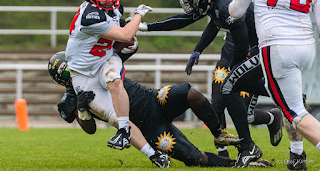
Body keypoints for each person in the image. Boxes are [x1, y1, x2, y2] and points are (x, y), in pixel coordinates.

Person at [138, 0, 281, 166]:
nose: (192, 6)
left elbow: (241, 45)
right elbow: (202, 21)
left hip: (261, 44)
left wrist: (234, 69)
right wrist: (148, 27)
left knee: (230, 87)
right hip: (254, 43)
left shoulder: (226, 8)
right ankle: (276, 107)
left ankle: (251, 144)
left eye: (193, 1)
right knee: (229, 89)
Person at [48, 51, 253, 168]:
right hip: (147, 127)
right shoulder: (72, 98)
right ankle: (235, 165)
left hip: (153, 99)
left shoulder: (96, 66)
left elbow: (120, 54)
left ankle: (219, 133)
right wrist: (82, 109)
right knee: (194, 157)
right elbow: (89, 129)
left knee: (190, 93)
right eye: (69, 70)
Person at [228, 0, 320, 163]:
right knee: (293, 103)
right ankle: (297, 155)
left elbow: (236, 10)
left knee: (295, 111)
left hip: (277, 47)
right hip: (306, 48)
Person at [65, 0, 152, 150]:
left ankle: (124, 132)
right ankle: (147, 149)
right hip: (83, 70)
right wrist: (138, 15)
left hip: (104, 59)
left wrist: (126, 44)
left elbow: (122, 36)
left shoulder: (115, 8)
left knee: (114, 78)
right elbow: (126, 33)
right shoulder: (90, 15)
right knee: (109, 113)